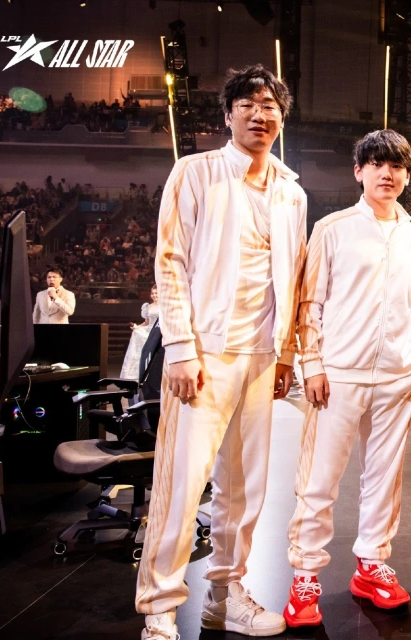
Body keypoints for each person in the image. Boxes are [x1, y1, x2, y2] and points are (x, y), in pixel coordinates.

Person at [135, 64, 307, 640]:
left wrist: (286, 356)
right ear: (228, 114)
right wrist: (181, 347)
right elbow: (170, 262)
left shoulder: (292, 192)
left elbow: (293, 280)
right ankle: (160, 609)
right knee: (182, 486)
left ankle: (225, 596)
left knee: (245, 490)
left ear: (282, 119)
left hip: (261, 359)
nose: (260, 115)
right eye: (248, 105)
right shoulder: (196, 172)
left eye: (270, 107)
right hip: (204, 354)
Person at [285, 129, 411, 627]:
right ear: (359, 171)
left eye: (397, 166)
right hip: (339, 376)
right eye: (377, 164)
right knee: (319, 479)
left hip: (397, 377)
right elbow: (310, 303)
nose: (387, 173)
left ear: (407, 176)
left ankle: (371, 564)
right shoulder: (333, 229)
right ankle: (305, 575)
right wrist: (312, 364)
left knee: (384, 478)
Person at [120, 284, 159, 380]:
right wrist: (137, 327)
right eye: (152, 293)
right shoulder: (148, 306)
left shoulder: (164, 306)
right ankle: (136, 373)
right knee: (137, 333)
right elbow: (147, 322)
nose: (154, 295)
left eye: (156, 293)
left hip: (158, 330)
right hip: (148, 329)